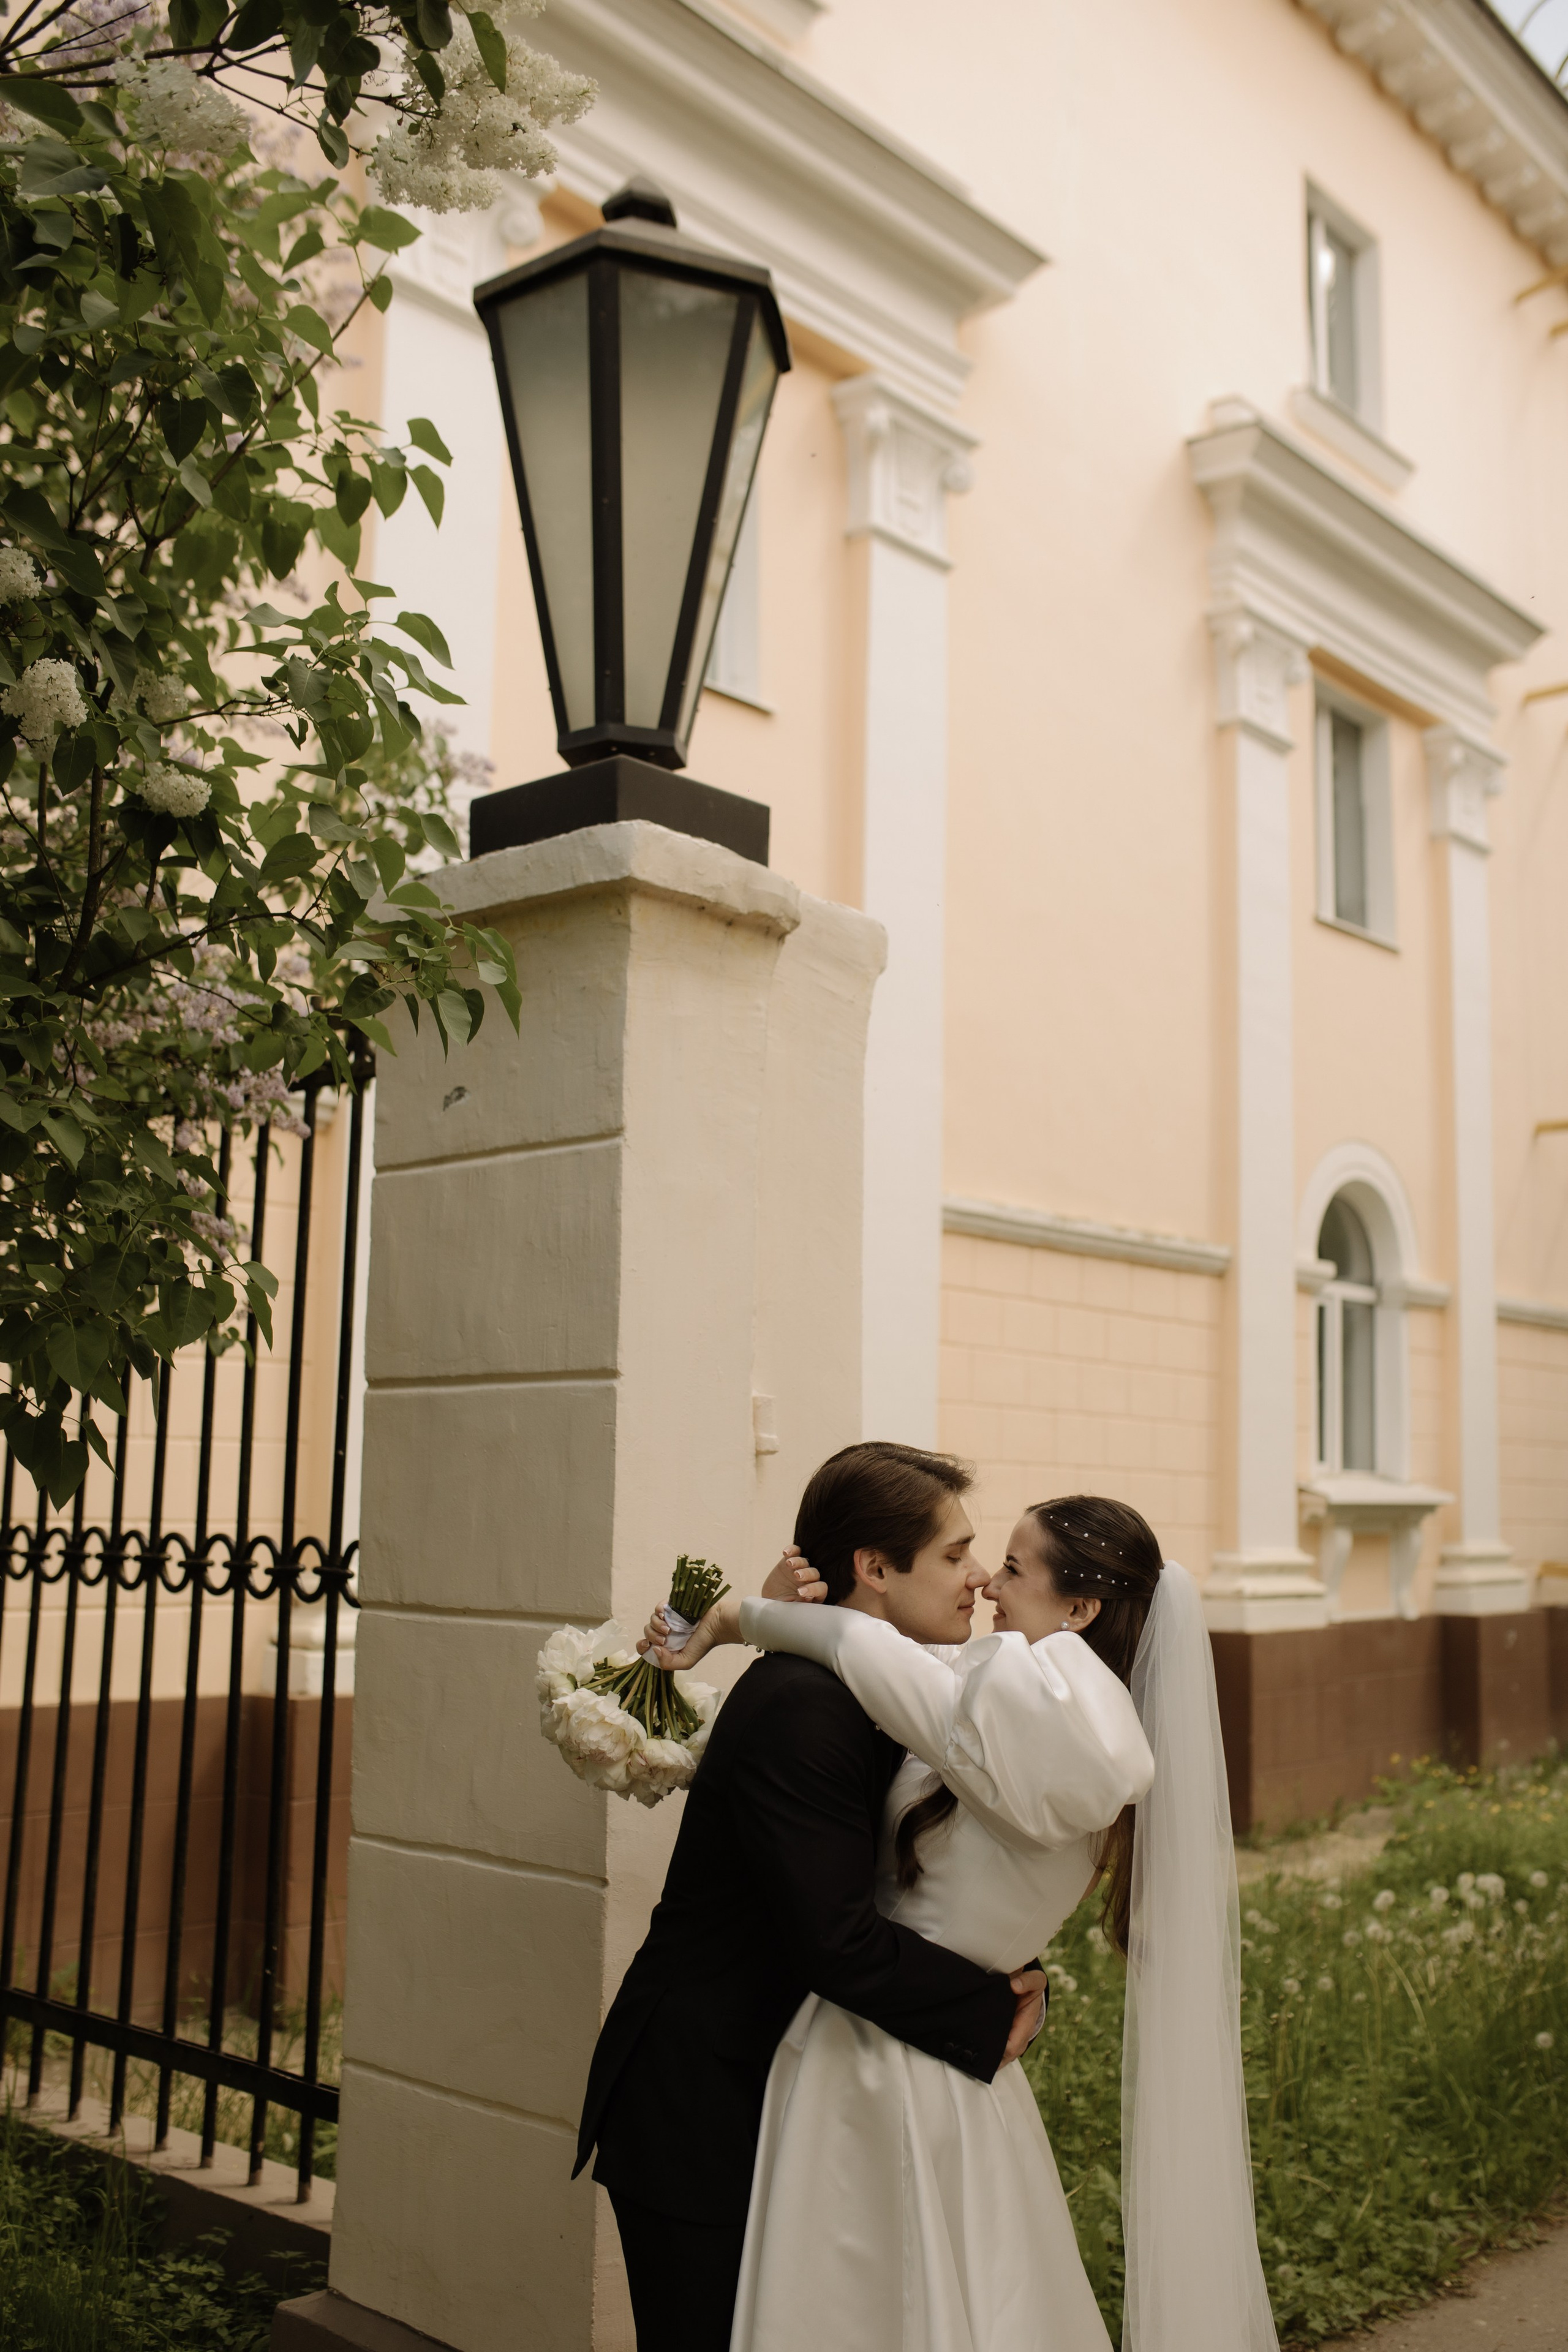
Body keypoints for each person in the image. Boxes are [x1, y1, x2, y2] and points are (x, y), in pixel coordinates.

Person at [643, 1488, 1280, 2352]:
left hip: (880, 2056)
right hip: (960, 2067)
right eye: (967, 1559)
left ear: (1082, 1608)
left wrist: (729, 1619)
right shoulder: (1081, 1721)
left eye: (1011, 1568)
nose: (985, 1584)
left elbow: (869, 1652)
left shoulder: (1035, 1698)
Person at [574, 1442, 1049, 2352]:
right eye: (955, 1554)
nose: (980, 1577)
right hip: (703, 2106)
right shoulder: (804, 1707)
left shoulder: (876, 1692)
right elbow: (836, 1938)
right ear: (874, 1568)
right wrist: (987, 2008)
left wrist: (1014, 1962)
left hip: (790, 2094)